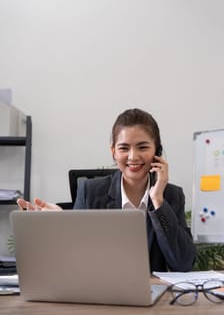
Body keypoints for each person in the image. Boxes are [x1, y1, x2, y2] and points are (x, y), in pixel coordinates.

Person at [17, 108, 196, 272]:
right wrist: (64, 224)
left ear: (157, 150)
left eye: (142, 147)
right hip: (102, 293)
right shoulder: (91, 192)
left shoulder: (171, 196)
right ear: (114, 152)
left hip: (153, 295)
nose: (133, 156)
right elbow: (76, 257)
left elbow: (183, 263)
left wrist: (157, 200)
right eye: (124, 148)